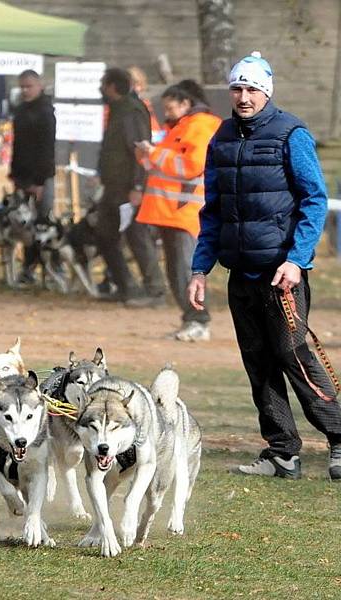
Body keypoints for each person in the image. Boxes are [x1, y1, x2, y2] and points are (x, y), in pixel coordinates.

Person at [187, 52, 341, 481]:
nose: (243, 96)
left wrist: (297, 260)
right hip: (242, 272)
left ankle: (339, 440)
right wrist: (200, 269)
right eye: (237, 88)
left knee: (293, 355)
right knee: (258, 362)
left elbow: (314, 200)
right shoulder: (221, 137)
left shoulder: (291, 132)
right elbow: (213, 209)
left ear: (266, 91)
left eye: (252, 88)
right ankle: (282, 452)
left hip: (282, 275)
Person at [134, 82, 221, 341]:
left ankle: (199, 320)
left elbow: (191, 165)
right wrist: (147, 155)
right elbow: (165, 163)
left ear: (185, 104)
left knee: (185, 269)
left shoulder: (200, 126)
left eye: (169, 107)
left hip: (186, 212)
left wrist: (153, 154)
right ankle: (192, 319)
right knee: (177, 270)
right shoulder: (182, 128)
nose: (166, 113)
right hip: (172, 212)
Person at [95, 67, 163, 304]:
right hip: (113, 186)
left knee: (137, 236)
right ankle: (126, 287)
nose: (101, 89)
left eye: (103, 84)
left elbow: (140, 151)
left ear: (112, 86)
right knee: (104, 235)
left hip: (128, 187)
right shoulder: (117, 110)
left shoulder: (131, 111)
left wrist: (137, 186)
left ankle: (155, 291)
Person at [10, 70, 56, 284]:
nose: (26, 91)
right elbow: (18, 147)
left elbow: (46, 149)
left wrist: (39, 182)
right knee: (24, 226)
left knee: (42, 225)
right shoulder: (20, 111)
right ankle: (28, 270)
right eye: (23, 87)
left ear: (40, 86)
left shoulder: (46, 112)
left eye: (29, 86)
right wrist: (15, 174)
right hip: (22, 177)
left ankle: (51, 268)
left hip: (41, 178)